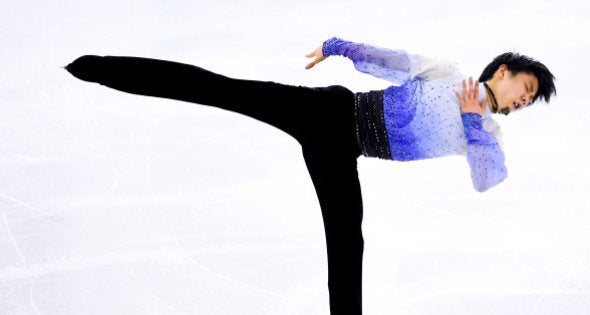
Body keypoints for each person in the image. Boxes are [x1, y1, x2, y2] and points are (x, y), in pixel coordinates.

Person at [65, 36, 556, 315]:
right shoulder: (447, 72)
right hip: (327, 111)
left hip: (344, 152)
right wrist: (339, 46)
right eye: (527, 87)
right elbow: (392, 62)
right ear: (506, 69)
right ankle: (106, 69)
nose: (524, 99)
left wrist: (472, 119)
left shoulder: (486, 132)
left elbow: (488, 178)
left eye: (530, 99)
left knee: (347, 244)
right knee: (224, 89)